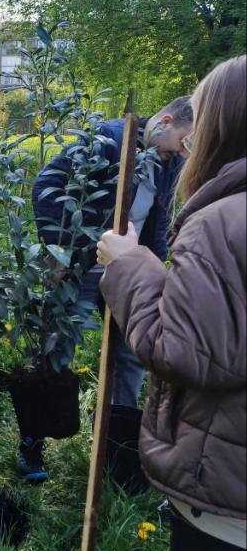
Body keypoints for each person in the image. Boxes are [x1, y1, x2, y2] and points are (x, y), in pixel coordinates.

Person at [96, 55, 246, 551]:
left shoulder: (220, 219)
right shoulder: (112, 149)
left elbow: (184, 345)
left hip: (227, 505)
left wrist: (134, 267)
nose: (187, 149)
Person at [22, 96, 194, 482]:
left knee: (132, 353)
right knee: (58, 347)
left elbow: (159, 215)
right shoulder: (108, 140)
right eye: (186, 141)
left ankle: (117, 448)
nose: (187, 151)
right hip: (83, 265)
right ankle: (33, 445)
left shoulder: (168, 161)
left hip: (126, 266)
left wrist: (156, 270)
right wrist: (59, 252)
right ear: (165, 121)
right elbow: (47, 184)